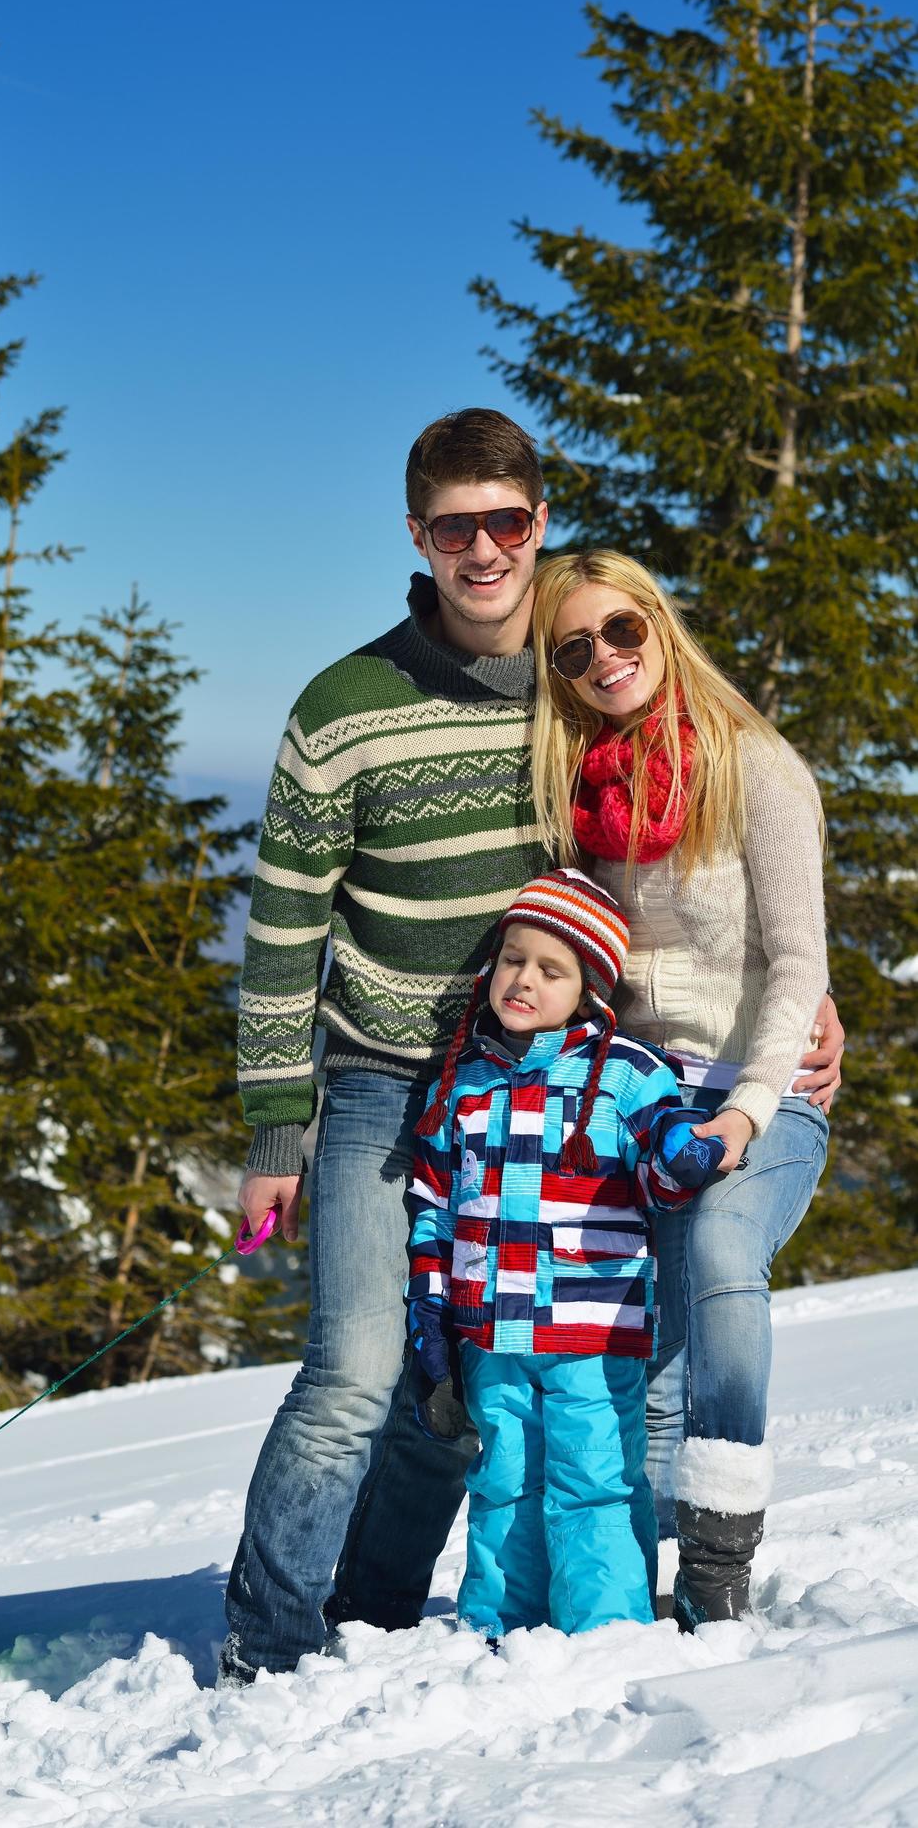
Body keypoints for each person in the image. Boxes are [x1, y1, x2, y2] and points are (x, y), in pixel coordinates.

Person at [221, 410, 841, 1684]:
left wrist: (800, 1015)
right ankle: (271, 1642)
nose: (485, 548)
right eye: (458, 527)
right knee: (357, 1372)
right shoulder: (349, 706)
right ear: (419, 536)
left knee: (516, 1370)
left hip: (556, 1095)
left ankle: (395, 1612)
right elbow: (283, 929)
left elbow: (701, 908)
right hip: (389, 1081)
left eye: (507, 521)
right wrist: (278, 1129)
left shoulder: (570, 713)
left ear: (538, 522)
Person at [530, 549, 831, 1629]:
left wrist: (750, 1107)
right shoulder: (576, 792)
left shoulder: (753, 766)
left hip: (766, 1092)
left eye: (621, 631)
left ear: (658, 626)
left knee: (715, 1250)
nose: (604, 658)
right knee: (636, 1340)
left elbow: (800, 965)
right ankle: (633, 1579)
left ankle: (719, 1556)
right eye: (574, 649)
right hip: (639, 1103)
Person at [406, 869, 723, 1637]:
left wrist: (680, 1154)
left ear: (588, 990)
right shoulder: (462, 1081)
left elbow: (658, 1172)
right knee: (505, 1479)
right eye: (513, 958)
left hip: (591, 1330)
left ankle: (604, 1630)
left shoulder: (626, 1074)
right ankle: (501, 1628)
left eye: (551, 970)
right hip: (491, 1333)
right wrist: (432, 1308)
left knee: (594, 1479)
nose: (523, 979)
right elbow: (432, 1203)